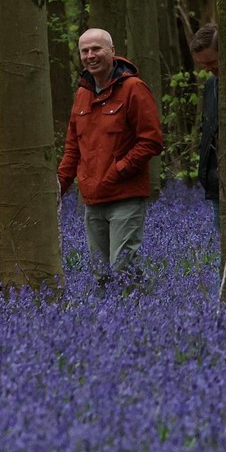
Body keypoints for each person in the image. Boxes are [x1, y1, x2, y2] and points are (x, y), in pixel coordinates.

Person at [57, 28, 163, 279]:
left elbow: (151, 140)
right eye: (85, 51)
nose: (90, 55)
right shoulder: (82, 94)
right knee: (100, 273)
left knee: (122, 267)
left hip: (125, 196)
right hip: (92, 201)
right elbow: (73, 146)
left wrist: (118, 171)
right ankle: (106, 317)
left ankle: (138, 313)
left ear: (112, 52)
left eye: (97, 49)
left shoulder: (133, 89)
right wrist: (59, 187)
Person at [189, 23, 220, 231]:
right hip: (218, 184)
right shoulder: (211, 85)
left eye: (212, 62)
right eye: (203, 65)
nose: (208, 69)